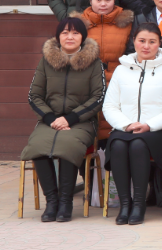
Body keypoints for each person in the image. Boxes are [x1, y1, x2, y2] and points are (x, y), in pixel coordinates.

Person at [22, 17, 106, 222]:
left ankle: (66, 202)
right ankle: (52, 201)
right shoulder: (46, 61)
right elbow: (34, 96)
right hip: (49, 121)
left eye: (75, 33)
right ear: (58, 36)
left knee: (68, 145)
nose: (70, 37)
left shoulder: (94, 63)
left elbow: (99, 96)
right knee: (37, 147)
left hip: (81, 121)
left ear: (82, 37)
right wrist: (51, 118)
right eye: (65, 32)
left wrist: (71, 118)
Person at [104, 23, 162, 225]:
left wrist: (149, 125)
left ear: (159, 43)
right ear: (134, 41)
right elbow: (109, 105)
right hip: (125, 128)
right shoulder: (121, 70)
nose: (146, 46)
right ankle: (125, 204)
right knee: (118, 145)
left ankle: (139, 204)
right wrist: (126, 125)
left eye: (152, 42)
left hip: (159, 130)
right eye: (142, 41)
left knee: (138, 144)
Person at [77, 0, 135, 95]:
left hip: (120, 82)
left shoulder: (127, 24)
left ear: (114, 0)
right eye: (98, 0)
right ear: (90, 0)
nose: (103, 4)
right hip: (87, 84)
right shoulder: (79, 24)